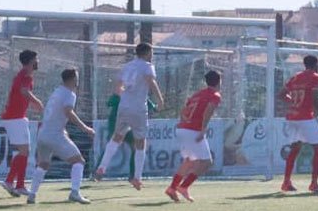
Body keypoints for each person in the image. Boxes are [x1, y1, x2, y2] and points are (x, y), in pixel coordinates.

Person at [96, 43, 164, 190]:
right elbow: (151, 82)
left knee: (117, 137)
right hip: (138, 108)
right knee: (140, 142)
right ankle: (137, 178)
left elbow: (118, 86)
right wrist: (160, 100)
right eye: (151, 52)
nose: (152, 55)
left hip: (124, 106)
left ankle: (102, 167)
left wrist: (125, 95)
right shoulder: (147, 66)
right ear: (147, 53)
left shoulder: (127, 66)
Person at [27, 68, 95, 204]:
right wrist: (85, 128)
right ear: (72, 79)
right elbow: (68, 112)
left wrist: (62, 129)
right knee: (79, 161)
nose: (78, 81)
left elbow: (53, 113)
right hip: (54, 135)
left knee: (43, 164)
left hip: (43, 134)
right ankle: (75, 193)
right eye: (77, 77)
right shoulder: (70, 94)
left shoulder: (57, 91)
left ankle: (32, 195)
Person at [280, 55, 318, 194]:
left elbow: (281, 94)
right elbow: (315, 100)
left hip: (292, 117)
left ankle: (286, 182)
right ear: (316, 64)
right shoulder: (315, 77)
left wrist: (292, 102)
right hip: (305, 117)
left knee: (295, 148)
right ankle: (314, 184)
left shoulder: (295, 77)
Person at [168, 70, 222, 202]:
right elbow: (208, 111)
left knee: (190, 161)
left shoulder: (198, 94)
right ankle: (184, 187)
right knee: (207, 162)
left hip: (182, 128)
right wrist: (203, 130)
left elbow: (184, 111)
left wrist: (185, 123)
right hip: (193, 130)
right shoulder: (215, 95)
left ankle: (172, 188)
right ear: (219, 81)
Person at [0, 50, 44, 197]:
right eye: (36, 59)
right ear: (31, 60)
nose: (38, 61)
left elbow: (22, 94)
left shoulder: (25, 75)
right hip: (15, 118)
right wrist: (37, 102)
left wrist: (32, 105)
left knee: (24, 151)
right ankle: (16, 184)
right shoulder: (25, 74)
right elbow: (24, 91)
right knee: (25, 151)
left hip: (16, 117)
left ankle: (13, 183)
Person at [94, 82, 155, 182]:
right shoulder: (139, 96)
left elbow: (109, 103)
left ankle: (99, 170)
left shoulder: (120, 94)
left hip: (116, 126)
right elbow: (151, 106)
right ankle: (133, 176)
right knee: (136, 147)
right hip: (128, 127)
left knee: (111, 146)